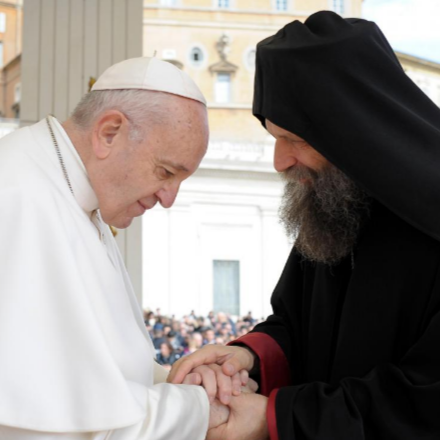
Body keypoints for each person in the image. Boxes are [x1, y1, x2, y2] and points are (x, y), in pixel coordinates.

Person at [169, 11, 440, 440]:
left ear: (355, 133)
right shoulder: (339, 203)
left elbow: (424, 402)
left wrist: (275, 417)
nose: (280, 161)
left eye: (294, 139)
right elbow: (297, 327)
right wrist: (244, 358)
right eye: (274, 137)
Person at [0, 57, 232, 439]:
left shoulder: (79, 193)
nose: (169, 199)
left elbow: (104, 370)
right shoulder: (19, 199)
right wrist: (205, 408)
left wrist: (182, 381)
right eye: (165, 172)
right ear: (109, 133)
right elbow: (76, 425)